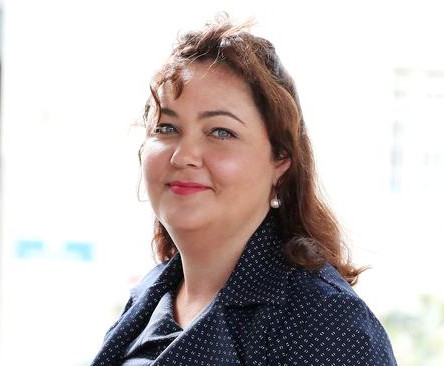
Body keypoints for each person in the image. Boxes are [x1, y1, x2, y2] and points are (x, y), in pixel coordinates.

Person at [91, 14, 397, 366]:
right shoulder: (153, 293)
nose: (183, 155)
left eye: (220, 132)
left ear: (280, 159)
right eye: (167, 127)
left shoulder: (326, 324)